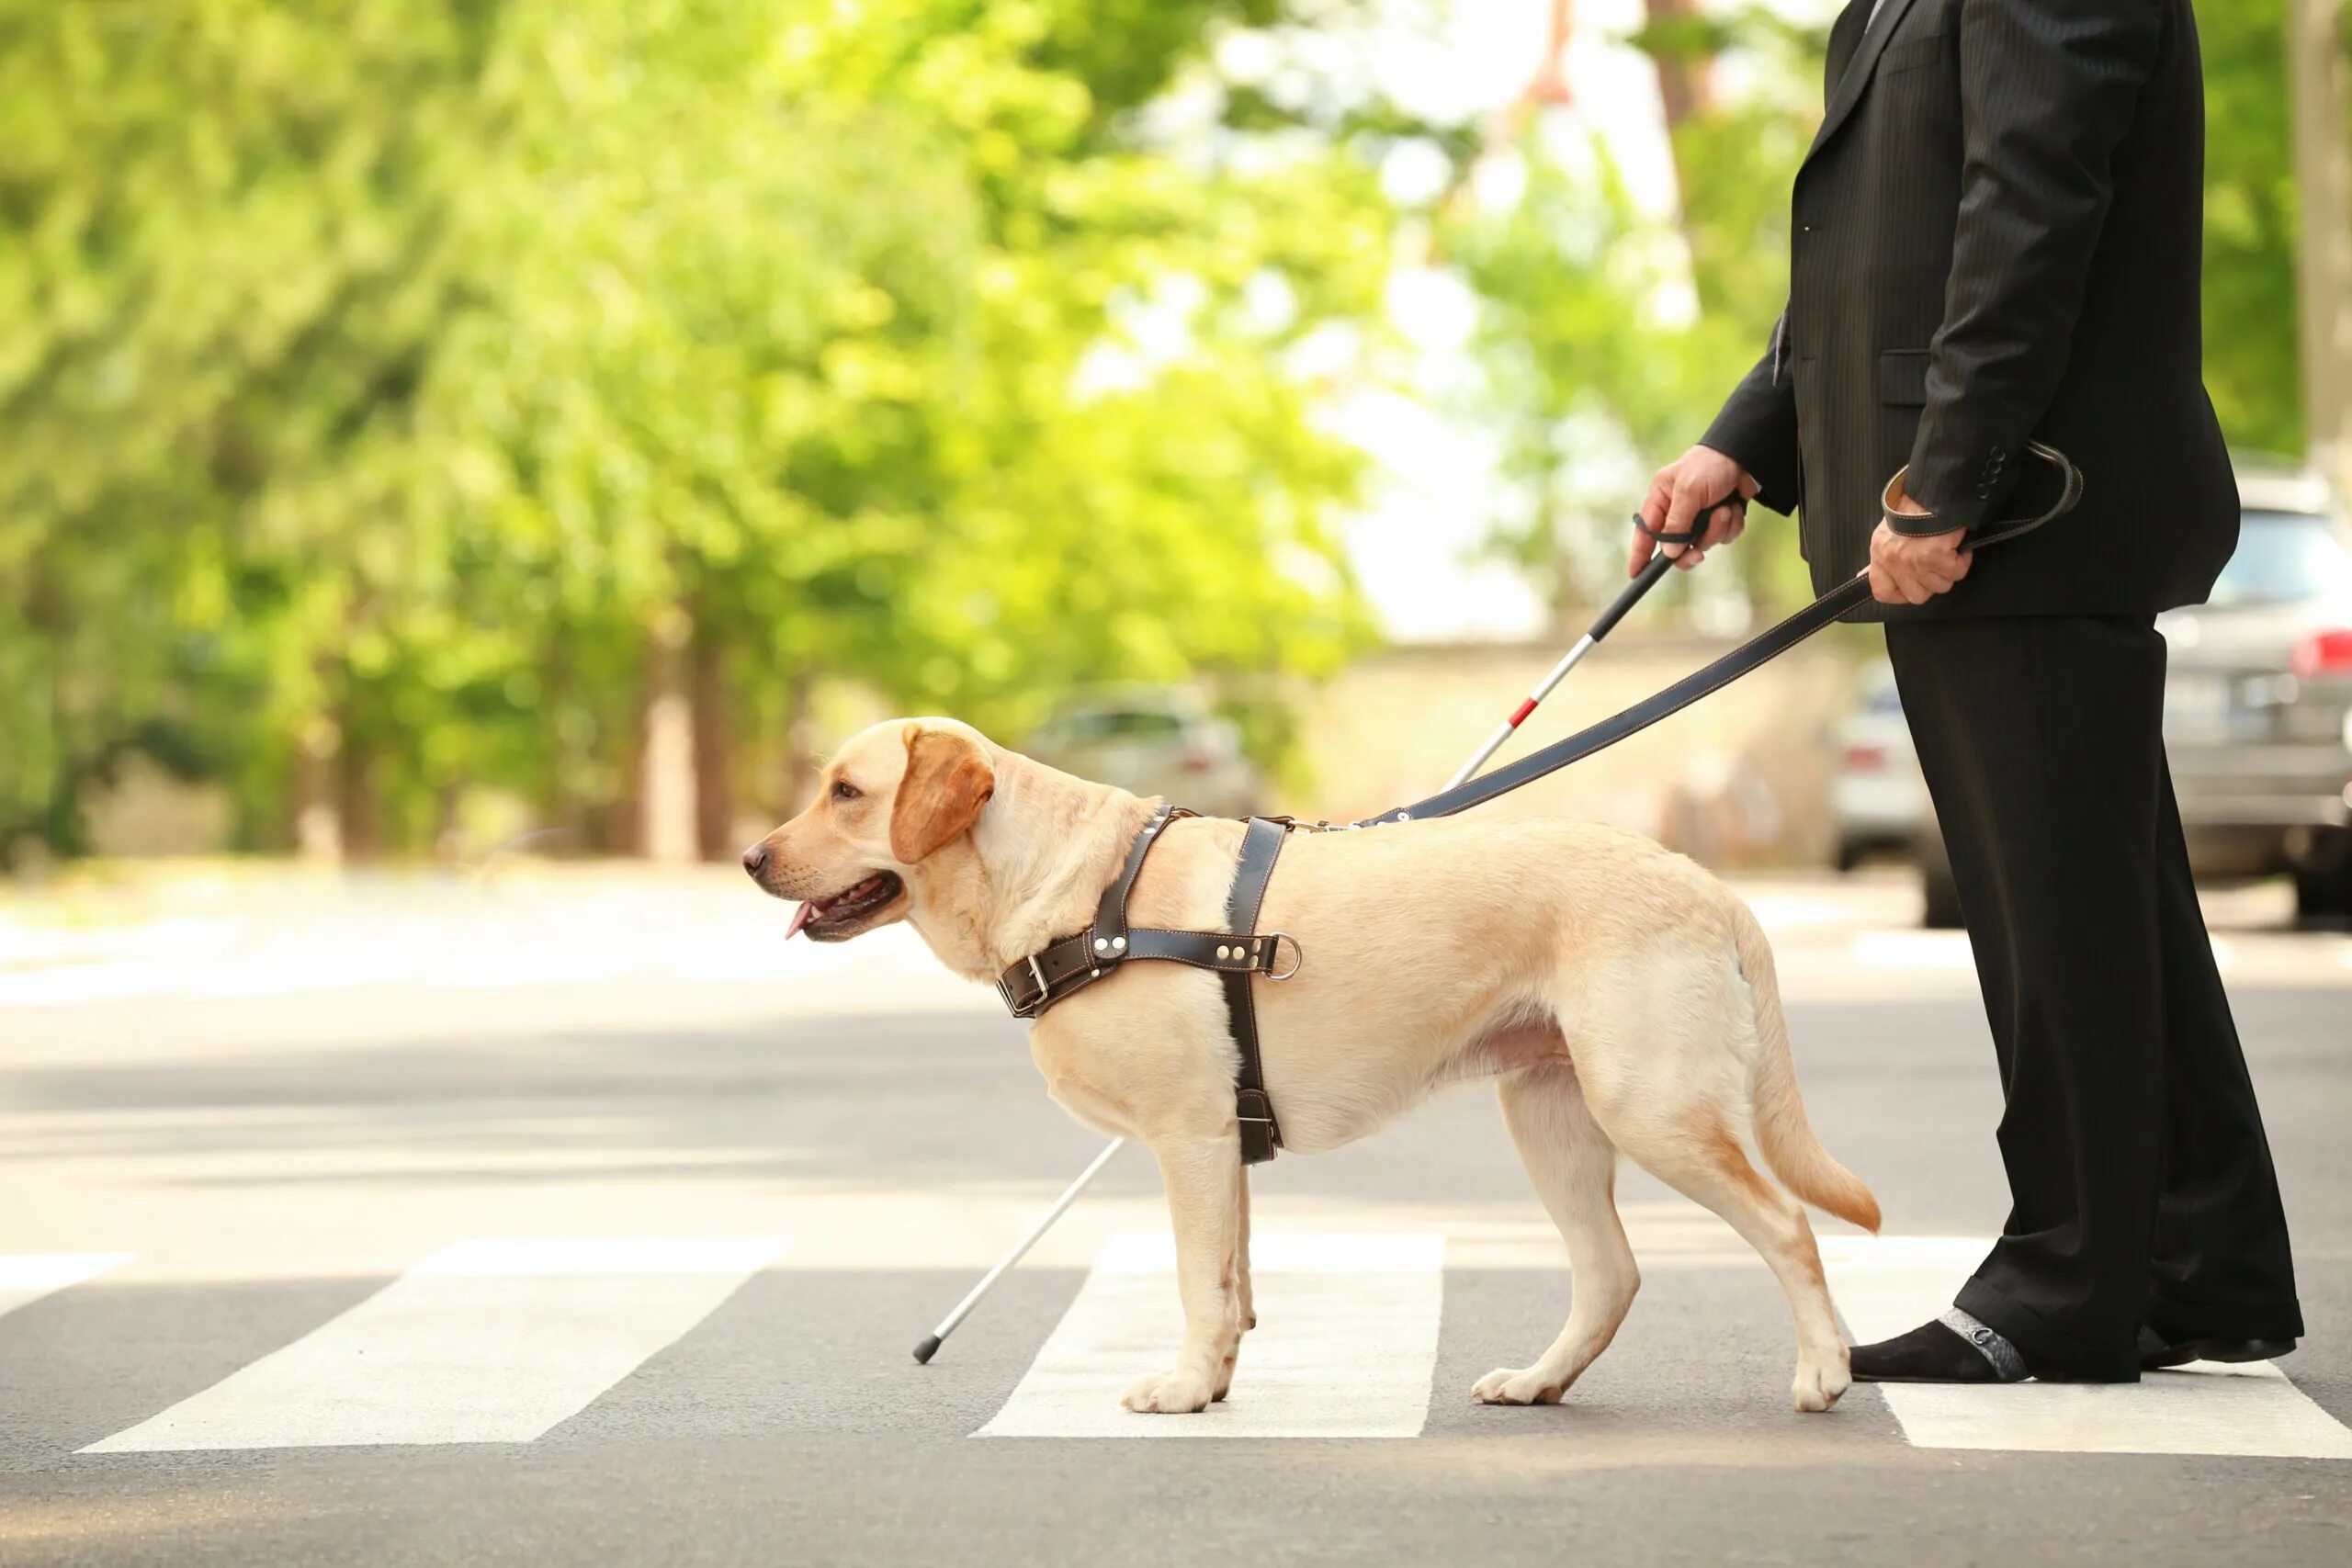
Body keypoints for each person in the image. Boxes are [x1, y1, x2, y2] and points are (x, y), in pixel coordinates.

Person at [1632, 0, 2302, 1383]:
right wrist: (1745, 441)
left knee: (2058, 923)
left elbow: (2031, 212)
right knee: (2106, 913)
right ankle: (2204, 1262)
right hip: (1982, 511)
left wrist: (1947, 482)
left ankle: (2068, 1286)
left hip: (2019, 516)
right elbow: (1892, 241)